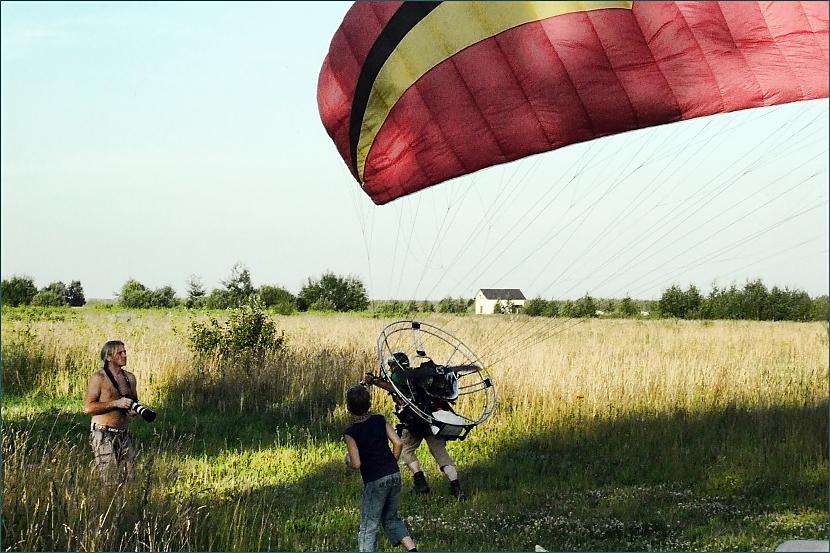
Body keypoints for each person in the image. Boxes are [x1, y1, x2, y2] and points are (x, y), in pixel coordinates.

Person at [364, 352, 467, 501]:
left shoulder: (398, 376)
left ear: (393, 365)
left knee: (405, 449)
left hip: (414, 422)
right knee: (440, 453)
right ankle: (457, 489)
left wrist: (374, 381)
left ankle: (420, 483)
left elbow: (393, 388)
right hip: (432, 420)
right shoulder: (417, 376)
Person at [343, 384, 417, 553]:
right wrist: (392, 462)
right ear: (369, 403)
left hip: (375, 480)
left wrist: (347, 461)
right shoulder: (379, 420)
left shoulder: (351, 432)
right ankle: (412, 550)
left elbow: (356, 464)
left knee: (368, 527)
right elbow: (398, 443)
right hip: (394, 473)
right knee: (391, 518)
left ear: (349, 407)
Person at [83, 340, 138, 483]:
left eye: (125, 352)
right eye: (120, 353)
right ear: (108, 357)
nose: (124, 355)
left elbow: (134, 402)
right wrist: (116, 403)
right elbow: (88, 408)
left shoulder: (130, 378)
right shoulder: (98, 378)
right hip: (102, 432)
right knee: (110, 479)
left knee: (130, 478)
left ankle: (126, 505)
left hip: (123, 432)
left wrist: (133, 410)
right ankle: (107, 504)